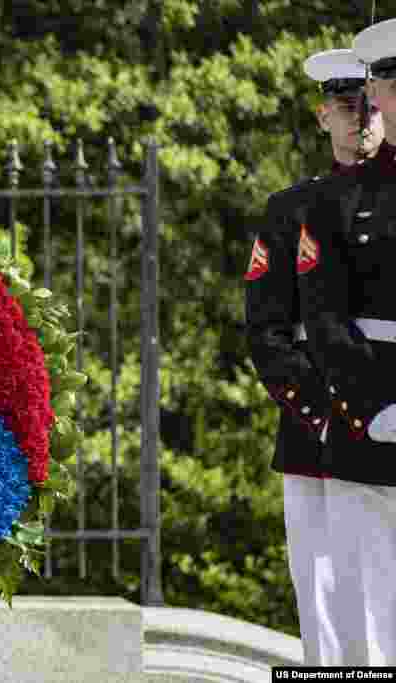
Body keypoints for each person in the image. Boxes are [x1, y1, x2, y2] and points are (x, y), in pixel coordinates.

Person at [246, 48, 382, 666]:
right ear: (323, 116)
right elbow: (270, 329)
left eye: (366, 104)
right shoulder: (292, 208)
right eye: (344, 107)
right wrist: (321, 409)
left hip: (380, 398)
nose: (358, 118)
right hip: (318, 420)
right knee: (326, 597)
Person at [286, 18, 396, 665]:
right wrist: (374, 404)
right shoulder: (334, 200)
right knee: (364, 625)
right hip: (368, 419)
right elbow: (320, 316)